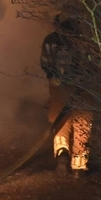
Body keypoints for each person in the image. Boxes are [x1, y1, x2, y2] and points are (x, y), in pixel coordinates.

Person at [40, 15, 93, 176]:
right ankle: (79, 167)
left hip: (58, 88)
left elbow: (45, 63)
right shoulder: (84, 41)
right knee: (82, 124)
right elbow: (91, 66)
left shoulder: (50, 40)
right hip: (82, 89)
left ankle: (62, 157)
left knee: (60, 122)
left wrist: (54, 77)